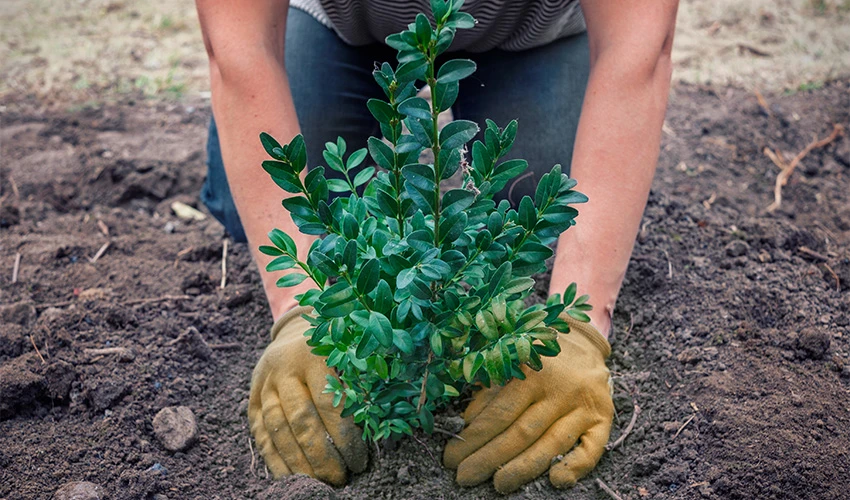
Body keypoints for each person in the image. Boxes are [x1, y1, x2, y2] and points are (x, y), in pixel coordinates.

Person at [194, 0, 678, 493]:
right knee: (274, 204)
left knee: (539, 202)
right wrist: (300, 310)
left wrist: (579, 325)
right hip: (335, 28)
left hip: (533, 34)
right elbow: (239, 48)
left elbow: (637, 49)